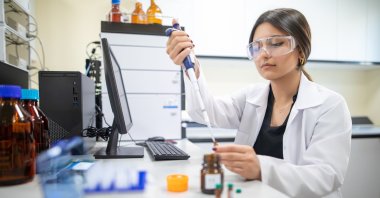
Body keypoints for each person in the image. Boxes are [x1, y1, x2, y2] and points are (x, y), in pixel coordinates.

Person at [166, 8, 352, 198]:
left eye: (276, 43)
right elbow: (203, 112)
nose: (263, 54)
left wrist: (260, 168)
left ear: (301, 51)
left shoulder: (330, 105)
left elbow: (325, 177)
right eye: (256, 47)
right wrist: (191, 66)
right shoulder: (251, 97)